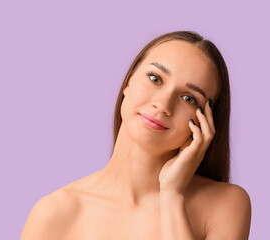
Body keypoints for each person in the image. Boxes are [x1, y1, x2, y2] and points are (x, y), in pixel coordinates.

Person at [20, 30, 252, 240]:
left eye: (188, 98)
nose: (163, 105)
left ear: (206, 122)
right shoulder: (54, 213)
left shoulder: (226, 205)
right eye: (155, 79)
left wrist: (172, 194)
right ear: (128, 83)